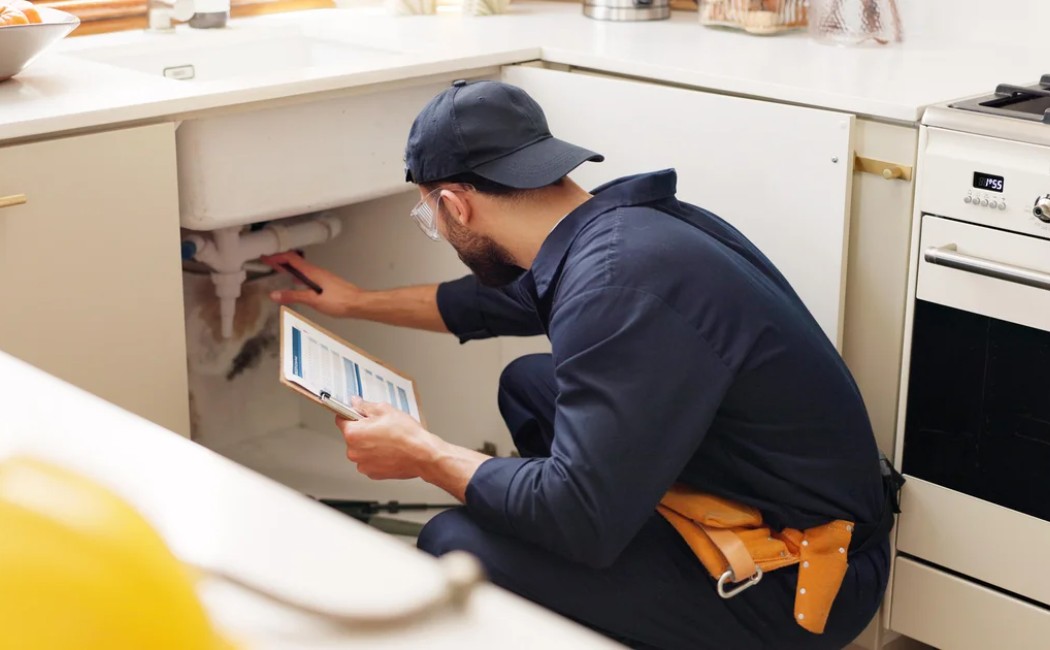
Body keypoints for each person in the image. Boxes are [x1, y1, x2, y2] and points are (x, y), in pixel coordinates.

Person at [264, 79, 894, 650]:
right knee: (531, 383)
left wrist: (425, 455)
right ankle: (610, 581)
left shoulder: (616, 287)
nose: (439, 226)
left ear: (456, 205)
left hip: (802, 578)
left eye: (431, 215)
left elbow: (579, 517)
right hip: (761, 499)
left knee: (454, 542)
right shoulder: (618, 230)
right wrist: (355, 303)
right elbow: (487, 306)